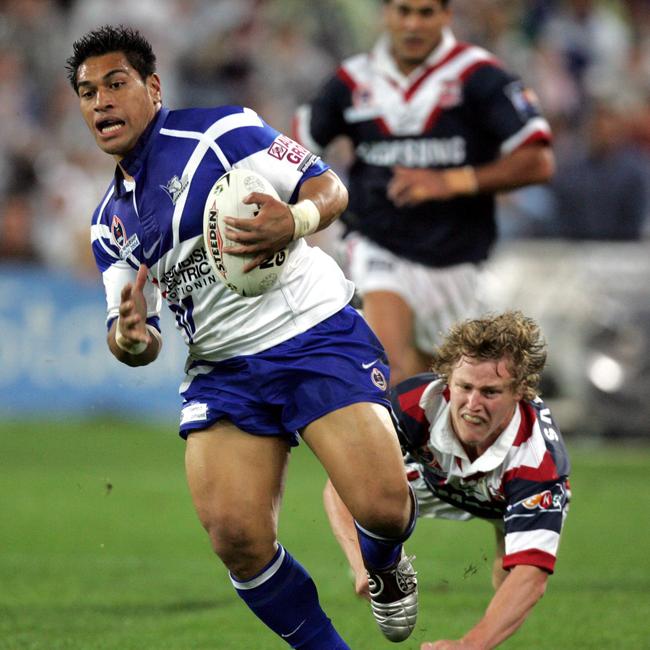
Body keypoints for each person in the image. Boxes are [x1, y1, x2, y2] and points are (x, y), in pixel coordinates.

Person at [66, 25, 420, 648]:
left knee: (385, 509)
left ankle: (384, 563)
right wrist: (129, 338)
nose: (100, 103)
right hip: (223, 372)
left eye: (115, 84)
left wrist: (298, 219)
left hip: (312, 333)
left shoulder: (222, 133)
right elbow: (135, 338)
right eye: (87, 92)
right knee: (236, 538)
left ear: (152, 86)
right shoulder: (108, 221)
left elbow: (326, 185)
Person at [293, 0, 555, 385]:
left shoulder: (479, 76)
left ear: (447, 15)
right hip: (378, 244)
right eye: (403, 11)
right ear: (386, 14)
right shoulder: (351, 81)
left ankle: (417, 445)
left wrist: (452, 181)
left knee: (439, 387)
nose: (413, 24)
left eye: (426, 12)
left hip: (458, 257)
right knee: (389, 366)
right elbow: (296, 147)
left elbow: (538, 160)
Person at [323, 311, 571, 649]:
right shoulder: (415, 403)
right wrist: (362, 560)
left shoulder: (539, 460)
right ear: (447, 381)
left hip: (504, 497)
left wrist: (469, 645)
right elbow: (341, 484)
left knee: (511, 574)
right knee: (367, 489)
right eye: (464, 387)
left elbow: (532, 576)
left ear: (520, 392)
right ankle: (390, 560)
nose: (472, 405)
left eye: (490, 392)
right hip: (429, 479)